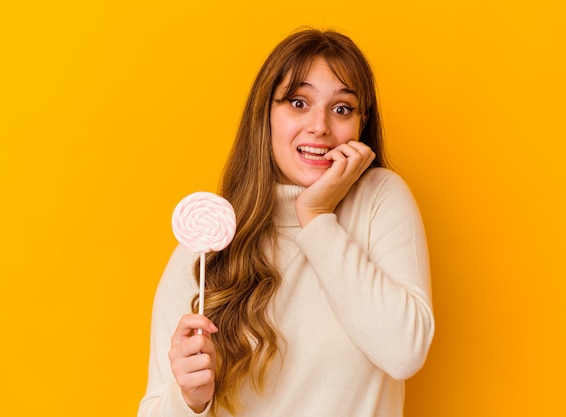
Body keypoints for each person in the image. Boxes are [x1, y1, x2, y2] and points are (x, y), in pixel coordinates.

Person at [138, 28, 434, 417]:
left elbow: (404, 351)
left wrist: (316, 217)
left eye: (342, 108)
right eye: (298, 102)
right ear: (266, 116)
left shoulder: (379, 198)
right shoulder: (207, 245)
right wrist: (190, 400)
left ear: (362, 123)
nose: (320, 126)